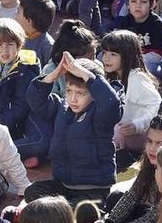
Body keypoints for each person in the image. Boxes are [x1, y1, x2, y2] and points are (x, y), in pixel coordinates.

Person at [25, 51, 123, 209]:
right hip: (64, 186)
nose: (73, 99)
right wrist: (54, 74)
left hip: (93, 190)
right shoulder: (61, 108)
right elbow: (35, 100)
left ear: (94, 94)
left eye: (81, 93)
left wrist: (86, 74)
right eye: (69, 91)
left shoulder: (100, 115)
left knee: (82, 211)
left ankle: (61, 212)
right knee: (32, 192)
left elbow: (111, 104)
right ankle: (61, 211)